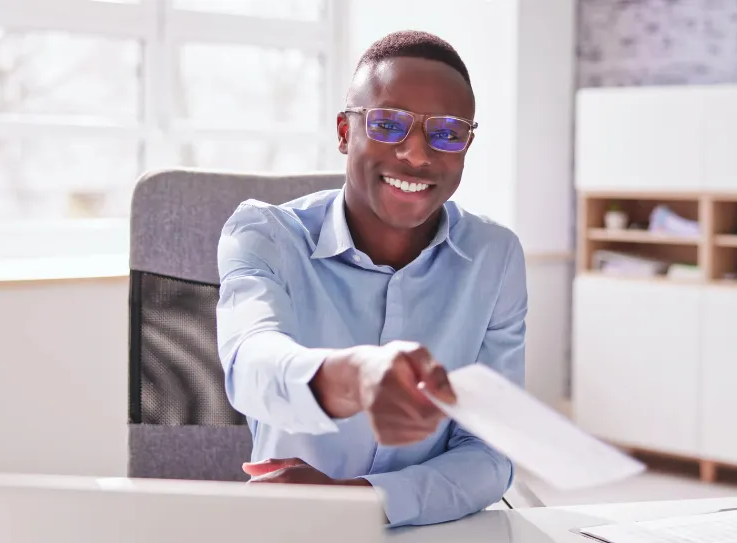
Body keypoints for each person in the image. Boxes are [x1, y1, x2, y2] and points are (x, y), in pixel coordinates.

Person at [215, 29, 528, 528]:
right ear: (344, 132)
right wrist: (355, 377)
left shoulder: (496, 256)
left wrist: (362, 499)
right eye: (388, 124)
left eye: (447, 132)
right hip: (295, 531)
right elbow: (250, 364)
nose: (418, 154)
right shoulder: (265, 235)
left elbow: (490, 454)